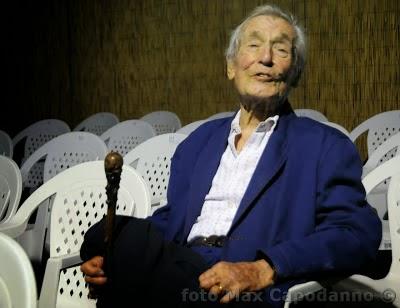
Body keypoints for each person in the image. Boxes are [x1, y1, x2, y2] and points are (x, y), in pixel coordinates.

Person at [80, 4, 381, 307]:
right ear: (231, 66)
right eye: (254, 45)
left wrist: (265, 268)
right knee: (106, 236)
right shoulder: (198, 143)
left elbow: (355, 234)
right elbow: (173, 221)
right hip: (183, 268)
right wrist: (107, 254)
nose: (265, 58)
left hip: (244, 290)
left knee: (126, 265)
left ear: (295, 74)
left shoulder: (324, 146)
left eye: (281, 50)